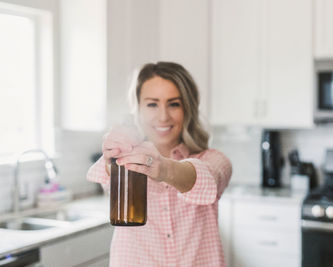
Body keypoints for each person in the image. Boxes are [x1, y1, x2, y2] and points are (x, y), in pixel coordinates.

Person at [87, 62, 232, 266]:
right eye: (152, 104)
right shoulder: (125, 162)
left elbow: (210, 179)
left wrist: (163, 168)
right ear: (137, 108)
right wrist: (113, 155)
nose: (163, 116)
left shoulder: (214, 159)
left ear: (188, 109)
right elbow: (105, 177)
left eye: (174, 104)